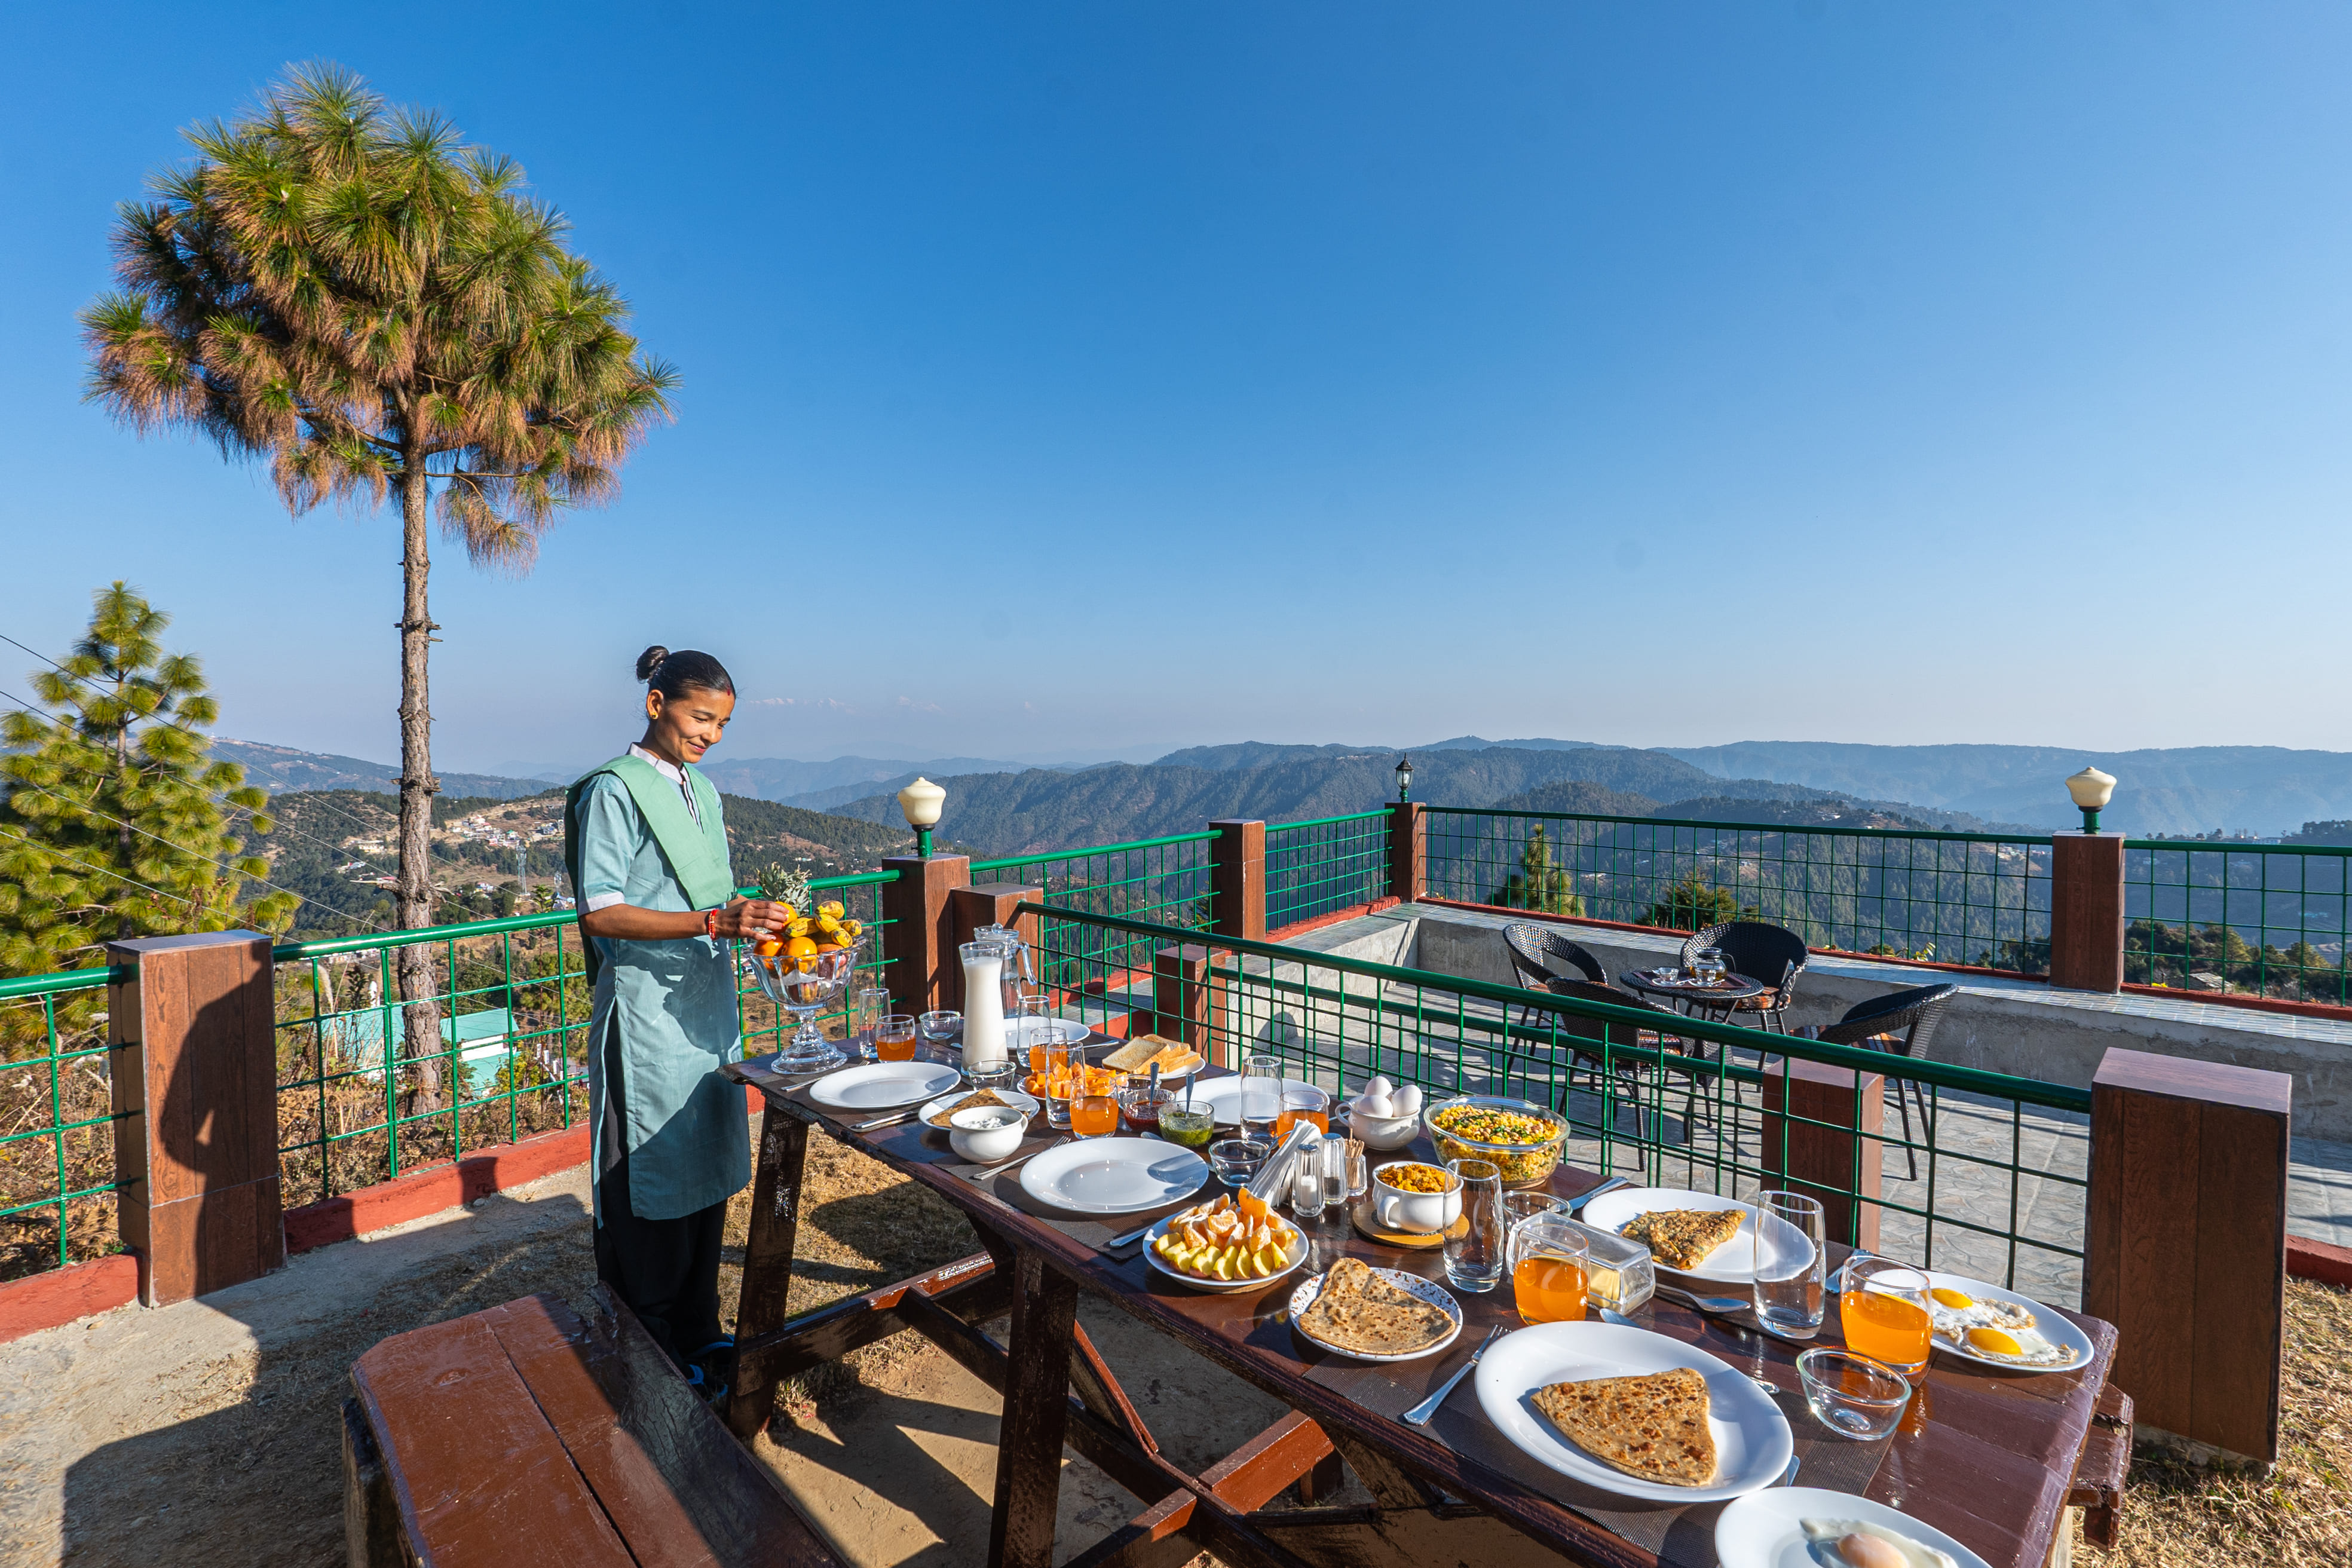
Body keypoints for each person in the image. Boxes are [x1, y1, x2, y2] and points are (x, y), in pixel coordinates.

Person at [564, 645, 789, 1402]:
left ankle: (700, 1326)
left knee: (705, 1164)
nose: (712, 735)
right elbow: (599, 909)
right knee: (650, 1174)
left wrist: (751, 918)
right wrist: (712, 917)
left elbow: (710, 897)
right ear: (656, 704)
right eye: (701, 717)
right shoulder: (613, 791)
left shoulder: (704, 790)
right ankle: (649, 1340)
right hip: (647, 1014)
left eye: (723, 723)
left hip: (705, 1006)